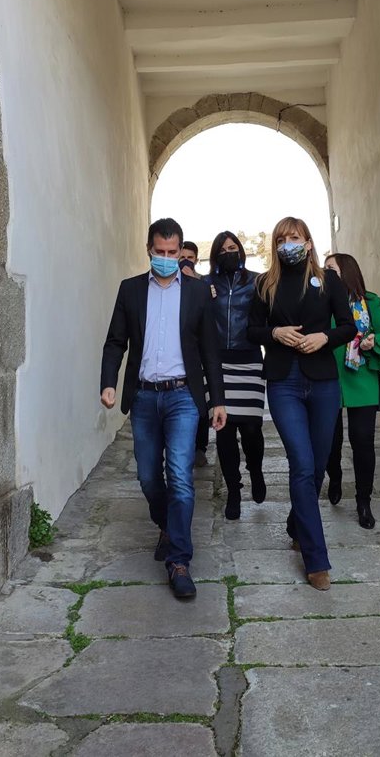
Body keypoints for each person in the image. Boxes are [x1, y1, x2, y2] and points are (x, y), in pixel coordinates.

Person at [101, 218, 227, 599]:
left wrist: (217, 399)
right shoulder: (130, 290)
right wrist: (108, 382)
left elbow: (210, 349)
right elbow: (115, 341)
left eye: (174, 252)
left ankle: (179, 561)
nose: (167, 258)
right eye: (161, 252)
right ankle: (169, 526)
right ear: (149, 250)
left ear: (181, 251)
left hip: (182, 397)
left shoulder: (198, 292)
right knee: (147, 477)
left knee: (181, 477)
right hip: (143, 397)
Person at [248, 217, 355, 590]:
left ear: (308, 243)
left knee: (318, 466)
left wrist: (325, 337)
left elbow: (349, 326)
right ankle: (316, 560)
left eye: (294, 238)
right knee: (302, 464)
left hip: (323, 382)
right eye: (281, 239)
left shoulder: (329, 281)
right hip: (284, 383)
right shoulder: (264, 284)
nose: (287, 244)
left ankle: (297, 524)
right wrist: (274, 333)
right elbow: (252, 330)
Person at [324, 253, 380, 529]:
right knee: (330, 441)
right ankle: (335, 476)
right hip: (328, 377)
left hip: (362, 377)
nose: (326, 273)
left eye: (332, 269)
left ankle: (363, 501)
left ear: (347, 272)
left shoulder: (370, 301)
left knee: (362, 440)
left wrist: (374, 340)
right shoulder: (322, 301)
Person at [205, 231, 267, 520]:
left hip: (249, 359)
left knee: (252, 429)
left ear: (240, 251)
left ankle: (256, 470)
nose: (228, 253)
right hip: (217, 363)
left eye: (232, 248)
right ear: (215, 256)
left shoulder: (257, 281)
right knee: (224, 430)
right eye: (222, 250)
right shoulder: (206, 284)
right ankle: (233, 490)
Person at [179, 241, 211, 466]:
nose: (186, 261)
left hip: (199, 354)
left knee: (200, 400)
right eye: (182, 257)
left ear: (196, 260)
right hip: (180, 356)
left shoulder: (203, 284)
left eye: (190, 257)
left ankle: (200, 446)